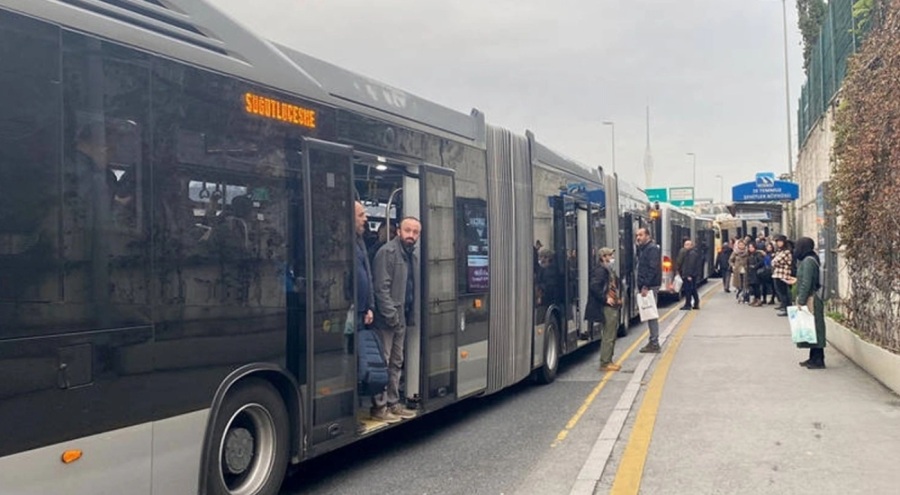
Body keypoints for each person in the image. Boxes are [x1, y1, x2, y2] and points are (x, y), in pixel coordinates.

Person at [371, 216, 422, 421]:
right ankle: (379, 407)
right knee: (383, 363)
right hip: (388, 320)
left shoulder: (412, 256)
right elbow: (380, 289)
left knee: (396, 362)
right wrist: (391, 316)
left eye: (415, 232)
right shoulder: (387, 253)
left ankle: (393, 403)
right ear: (398, 231)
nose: (411, 235)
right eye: (407, 230)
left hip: (402, 317)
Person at [784, 237, 826, 369]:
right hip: (811, 297)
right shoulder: (810, 259)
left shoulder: (808, 261)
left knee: (815, 328)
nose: (796, 250)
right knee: (811, 328)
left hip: (811, 299)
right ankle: (813, 357)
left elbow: (807, 283)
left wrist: (801, 301)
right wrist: (796, 280)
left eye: (798, 246)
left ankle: (819, 360)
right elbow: (805, 279)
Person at [587, 247, 622, 371]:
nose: (612, 258)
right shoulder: (601, 271)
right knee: (609, 335)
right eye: (610, 255)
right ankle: (605, 362)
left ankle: (609, 360)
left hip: (612, 305)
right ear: (603, 257)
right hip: (607, 307)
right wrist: (605, 298)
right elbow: (594, 287)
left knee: (611, 333)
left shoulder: (608, 270)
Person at [350, 201, 375, 353]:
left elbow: (367, 275)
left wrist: (369, 307)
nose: (365, 218)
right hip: (348, 309)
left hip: (361, 311)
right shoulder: (344, 241)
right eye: (361, 215)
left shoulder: (360, 240)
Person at [635, 227, 662, 353]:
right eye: (637, 235)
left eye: (640, 235)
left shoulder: (651, 249)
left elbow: (653, 268)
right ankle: (653, 341)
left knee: (651, 314)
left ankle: (654, 342)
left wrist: (645, 285)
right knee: (649, 314)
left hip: (650, 286)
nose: (638, 238)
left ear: (648, 236)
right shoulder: (645, 248)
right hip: (647, 285)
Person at [771, 235, 793, 316]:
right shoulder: (780, 251)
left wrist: (774, 261)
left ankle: (787, 308)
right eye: (777, 242)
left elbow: (774, 261)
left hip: (783, 273)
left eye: (780, 241)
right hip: (778, 273)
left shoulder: (786, 251)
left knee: (783, 292)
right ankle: (784, 306)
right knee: (780, 291)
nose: (778, 243)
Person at [679, 239, 702, 310]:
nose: (685, 246)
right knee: (692, 289)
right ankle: (695, 303)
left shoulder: (692, 254)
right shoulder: (690, 252)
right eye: (685, 244)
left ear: (691, 245)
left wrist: (689, 275)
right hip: (691, 274)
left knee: (689, 290)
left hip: (689, 275)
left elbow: (690, 265)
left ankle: (688, 305)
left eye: (687, 245)